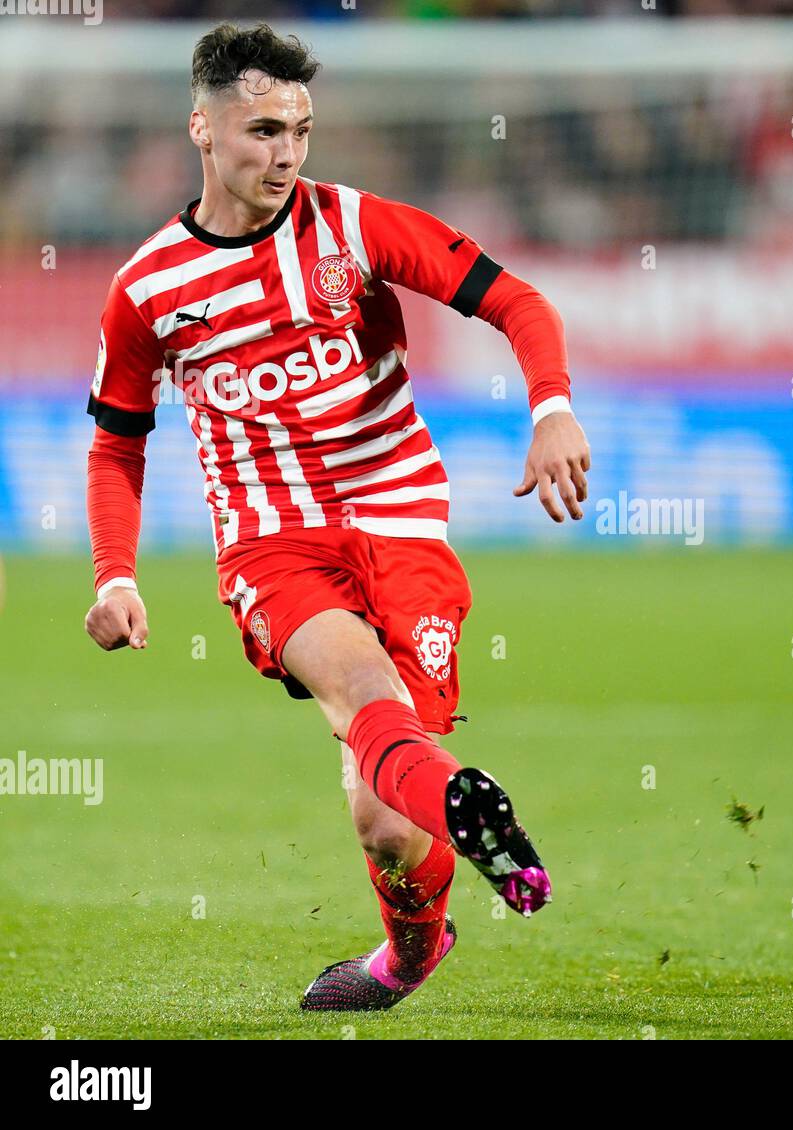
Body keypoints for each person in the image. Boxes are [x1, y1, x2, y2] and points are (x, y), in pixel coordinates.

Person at [82, 22, 590, 1011]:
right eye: (263, 129)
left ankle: (408, 951)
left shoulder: (356, 227)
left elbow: (517, 303)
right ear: (203, 126)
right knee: (364, 694)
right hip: (272, 546)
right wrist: (115, 572)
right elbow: (115, 444)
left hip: (399, 520)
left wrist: (552, 404)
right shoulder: (146, 290)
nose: (284, 153)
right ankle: (467, 803)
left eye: (300, 131)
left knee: (385, 826)